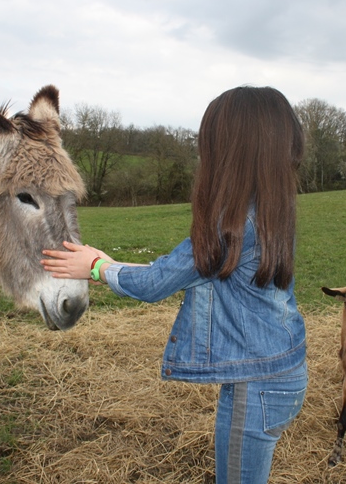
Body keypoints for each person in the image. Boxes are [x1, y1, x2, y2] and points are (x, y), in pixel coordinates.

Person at [41, 85, 307, 483]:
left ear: (232, 150)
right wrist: (111, 263)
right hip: (277, 371)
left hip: (257, 386)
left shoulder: (230, 227)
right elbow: (180, 270)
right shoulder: (265, 211)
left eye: (211, 142)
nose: (205, 152)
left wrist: (96, 267)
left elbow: (154, 284)